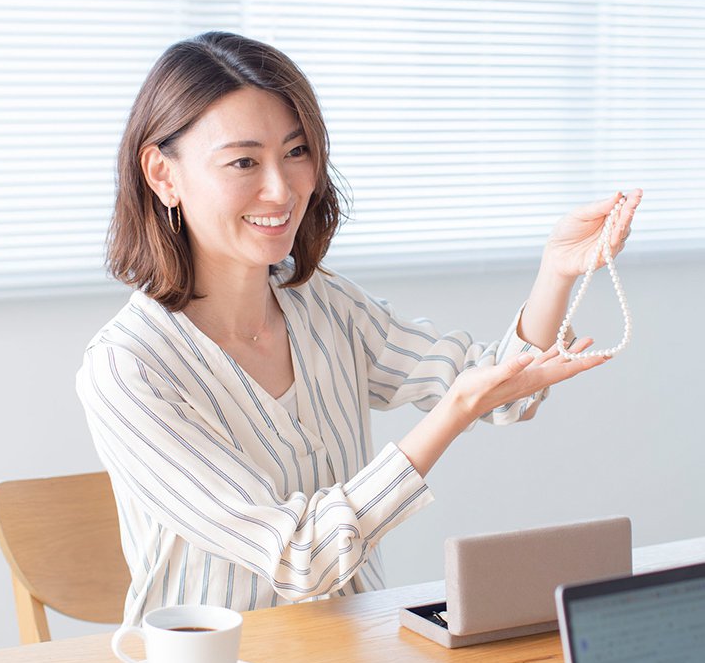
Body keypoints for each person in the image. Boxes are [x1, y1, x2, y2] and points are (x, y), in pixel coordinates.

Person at [76, 31, 642, 625]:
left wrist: (555, 271)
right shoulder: (129, 369)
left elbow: (500, 397)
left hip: (355, 646)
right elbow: (303, 558)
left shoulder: (327, 306)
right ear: (162, 175)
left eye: (296, 152)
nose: (282, 187)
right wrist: (448, 416)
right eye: (244, 161)